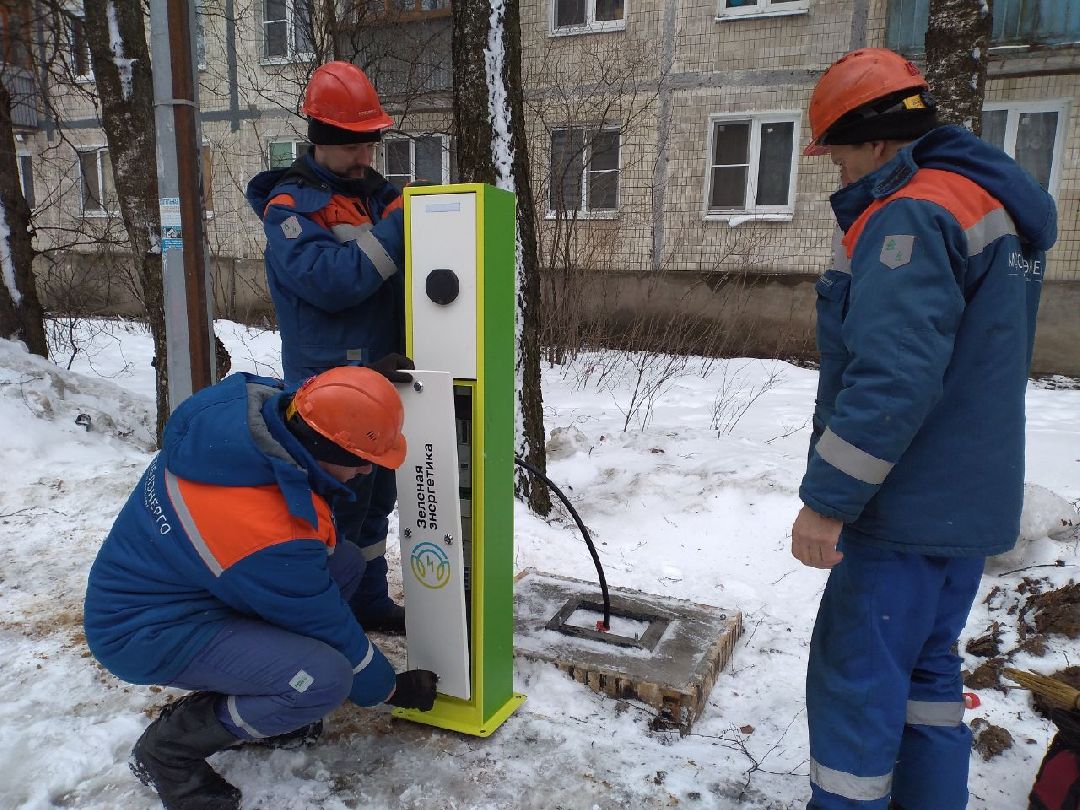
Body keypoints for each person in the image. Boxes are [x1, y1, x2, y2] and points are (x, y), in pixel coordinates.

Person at [791, 48, 1057, 809]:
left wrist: (828, 501)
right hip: (963, 513)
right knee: (928, 682)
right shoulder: (986, 202)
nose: (838, 175)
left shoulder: (911, 210)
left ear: (874, 142)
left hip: (900, 513)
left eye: (838, 156)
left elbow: (894, 379)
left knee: (857, 690)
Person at [84, 366, 438, 810]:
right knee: (324, 679)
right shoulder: (267, 529)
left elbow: (312, 396)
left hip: (187, 587)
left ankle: (270, 695)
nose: (368, 469)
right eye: (360, 457)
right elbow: (324, 622)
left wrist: (362, 393)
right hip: (144, 632)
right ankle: (171, 750)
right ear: (322, 447)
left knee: (341, 563)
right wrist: (386, 690)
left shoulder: (253, 413)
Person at [245, 61, 408, 633]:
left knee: (376, 500)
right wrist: (400, 228)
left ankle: (366, 600)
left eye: (371, 144)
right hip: (327, 391)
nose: (366, 158)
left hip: (387, 375)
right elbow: (332, 284)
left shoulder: (381, 199)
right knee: (335, 506)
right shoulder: (290, 211)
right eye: (353, 146)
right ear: (320, 139)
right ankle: (323, 617)